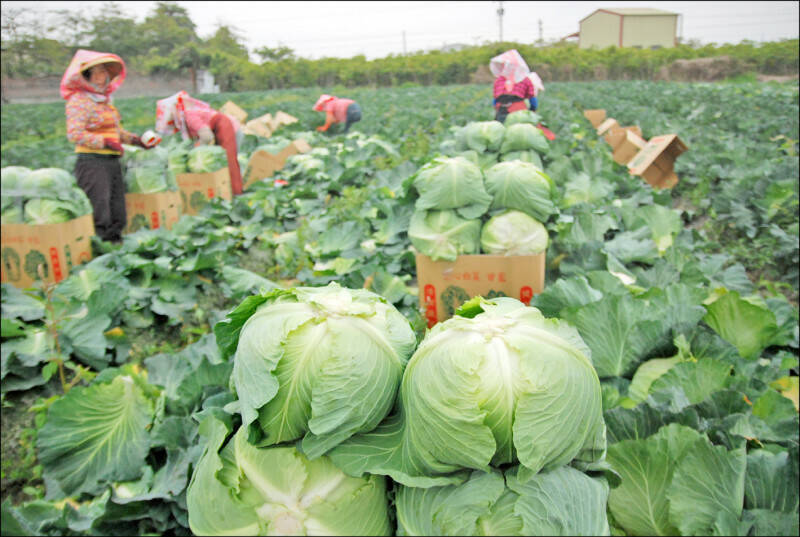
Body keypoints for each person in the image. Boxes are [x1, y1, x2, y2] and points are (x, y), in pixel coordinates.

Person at [61, 49, 155, 243]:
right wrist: (105, 143)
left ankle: (116, 246)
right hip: (92, 162)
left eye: (104, 72)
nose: (101, 77)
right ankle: (100, 249)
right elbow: (75, 134)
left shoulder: (104, 102)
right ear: (85, 77)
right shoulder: (79, 101)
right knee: (100, 208)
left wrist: (137, 141)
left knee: (117, 206)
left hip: (111, 160)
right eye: (95, 72)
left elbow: (116, 132)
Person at [155, 91, 244, 195]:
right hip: (219, 129)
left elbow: (207, 136)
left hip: (225, 127)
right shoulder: (185, 118)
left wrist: (196, 150)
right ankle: (222, 192)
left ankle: (235, 193)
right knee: (221, 165)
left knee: (229, 162)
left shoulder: (189, 116)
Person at [489, 49, 541, 123]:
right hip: (519, 111)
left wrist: (497, 109)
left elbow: (495, 100)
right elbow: (532, 98)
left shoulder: (499, 80)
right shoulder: (525, 79)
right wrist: (532, 110)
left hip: (502, 109)